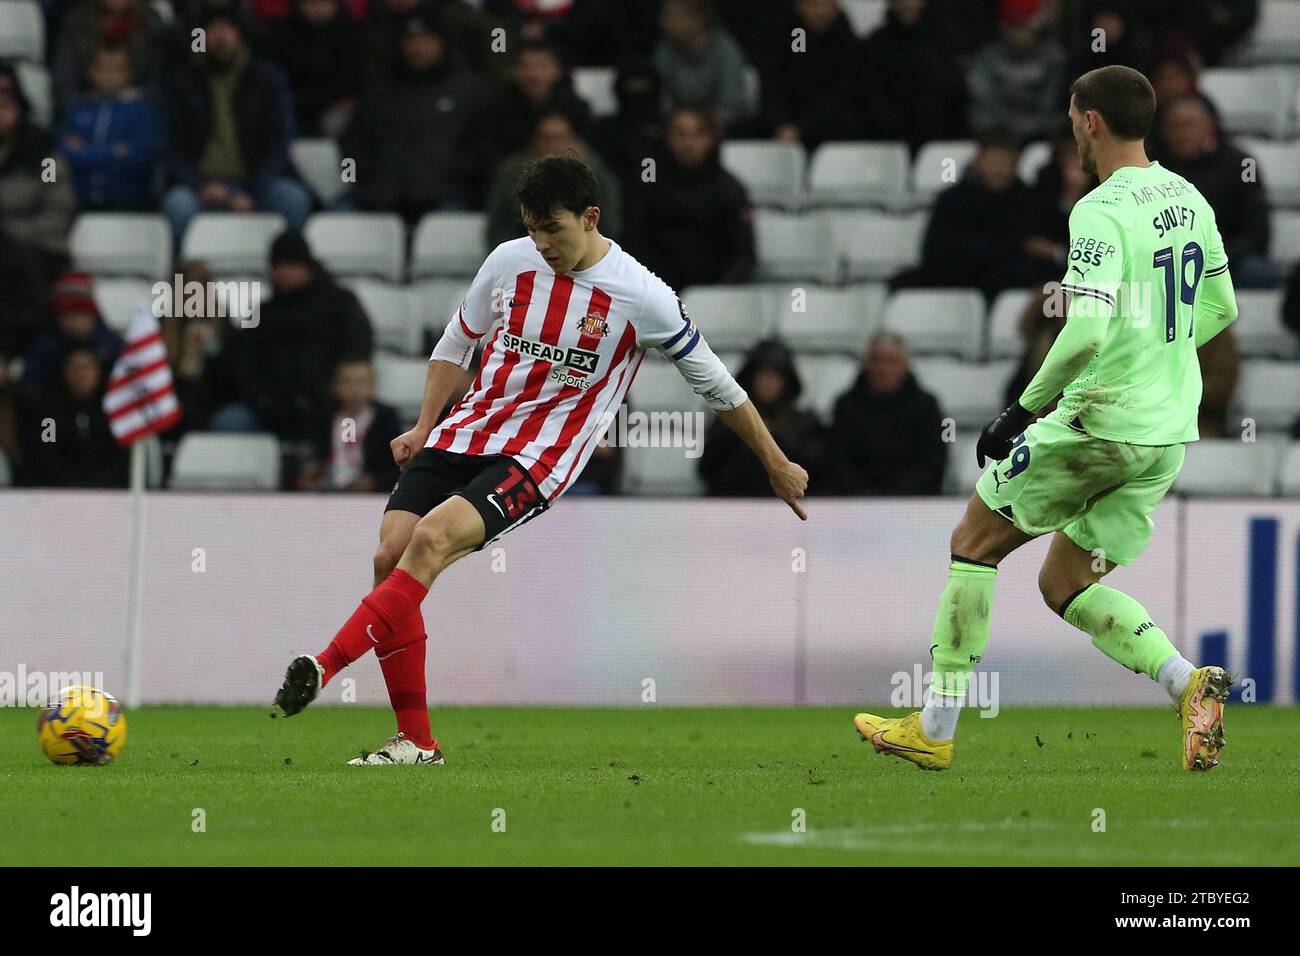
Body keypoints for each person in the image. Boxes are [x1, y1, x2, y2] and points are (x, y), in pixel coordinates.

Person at [270, 155, 809, 764]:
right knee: (389, 555)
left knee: (430, 539)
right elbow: (457, 342)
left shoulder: (642, 295)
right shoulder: (508, 261)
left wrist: (775, 461)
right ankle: (417, 743)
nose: (544, 243)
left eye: (554, 228)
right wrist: (425, 426)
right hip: (465, 431)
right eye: (533, 228)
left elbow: (716, 385)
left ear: (591, 217)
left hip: (538, 459)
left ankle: (325, 663)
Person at [854, 66, 1237, 774]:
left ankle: (934, 728)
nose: (1070, 131)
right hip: (1164, 437)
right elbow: (1222, 308)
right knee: (1065, 583)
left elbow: (1086, 332)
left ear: (1090, 121)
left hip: (1101, 424)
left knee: (974, 540)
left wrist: (1020, 411)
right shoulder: (1189, 197)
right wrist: (1154, 353)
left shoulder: (1097, 208)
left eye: (1071, 118)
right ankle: (1189, 684)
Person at [161, 7, 311, 244]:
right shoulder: (182, 82)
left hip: (254, 181)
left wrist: (253, 190)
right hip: (200, 184)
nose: (221, 38)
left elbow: (279, 144)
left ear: (239, 35)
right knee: (177, 205)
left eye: (228, 30)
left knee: (293, 198)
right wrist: (200, 185)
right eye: (214, 30)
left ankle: (285, 271)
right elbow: (171, 147)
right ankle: (184, 273)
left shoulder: (266, 80)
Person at [822, 332, 946, 496]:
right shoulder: (845, 405)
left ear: (904, 365)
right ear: (866, 364)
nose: (883, 369)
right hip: (854, 503)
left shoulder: (926, 406)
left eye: (891, 362)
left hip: (912, 503)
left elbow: (932, 461)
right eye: (876, 361)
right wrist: (860, 493)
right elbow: (836, 459)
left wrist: (899, 493)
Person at [698, 339, 822, 497]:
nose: (769, 382)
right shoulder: (727, 422)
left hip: (791, 512)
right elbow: (708, 471)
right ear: (751, 377)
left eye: (776, 375)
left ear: (788, 380)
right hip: (735, 509)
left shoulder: (805, 425)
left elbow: (817, 474)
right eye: (763, 374)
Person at [57, 44, 163, 211]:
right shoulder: (80, 108)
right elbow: (64, 152)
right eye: (103, 69)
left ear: (129, 73)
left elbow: (139, 158)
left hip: (130, 205)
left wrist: (84, 152)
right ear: (91, 71)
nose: (109, 76)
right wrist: (114, 152)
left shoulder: (142, 111)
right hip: (79, 204)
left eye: (117, 70)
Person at [296, 358, 403, 492]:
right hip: (325, 492)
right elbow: (309, 456)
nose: (354, 389)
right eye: (347, 382)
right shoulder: (322, 419)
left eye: (361, 382)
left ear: (373, 386)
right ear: (335, 386)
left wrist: (373, 482)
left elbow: (398, 466)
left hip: (373, 495)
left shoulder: (386, 420)